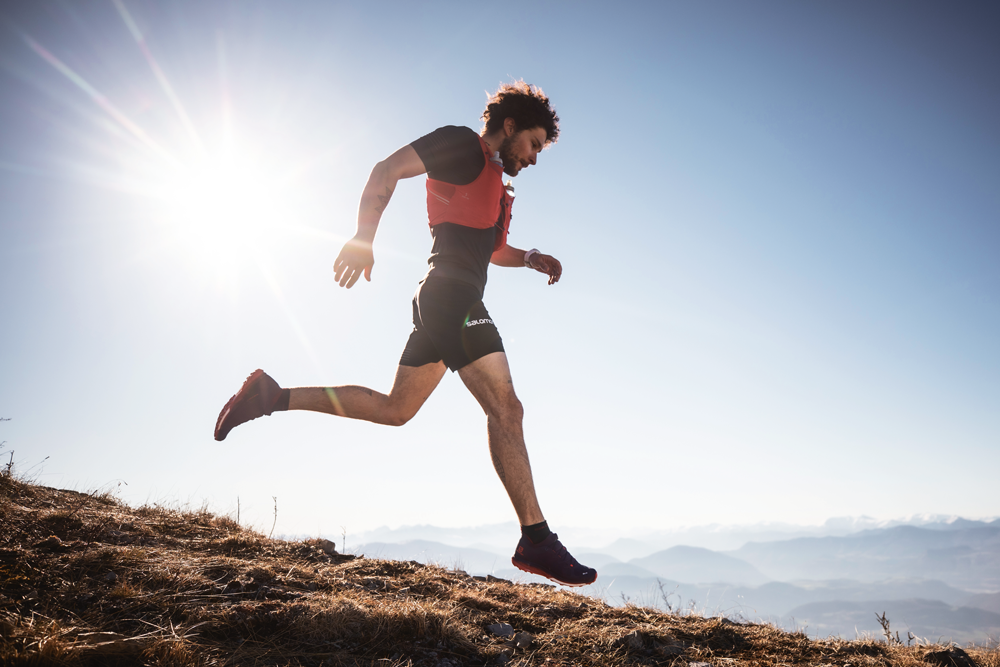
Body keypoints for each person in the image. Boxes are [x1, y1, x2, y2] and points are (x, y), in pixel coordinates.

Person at [214, 81, 597, 587]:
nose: (532, 158)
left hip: (443, 300)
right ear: (510, 127)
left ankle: (271, 395)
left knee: (396, 410)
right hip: (451, 298)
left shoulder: (495, 184)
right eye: (533, 144)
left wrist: (527, 258)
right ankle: (537, 538)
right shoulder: (463, 146)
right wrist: (363, 236)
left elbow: (491, 250)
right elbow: (385, 171)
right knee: (507, 408)